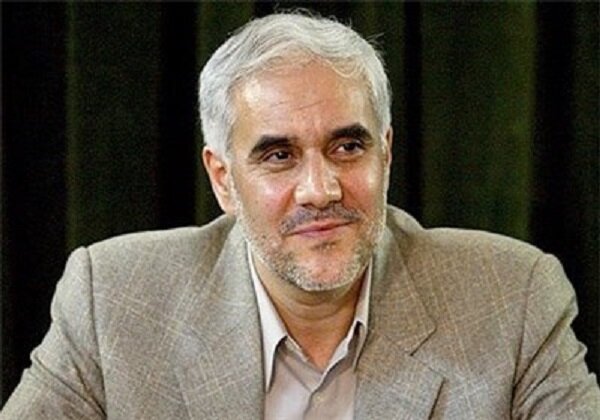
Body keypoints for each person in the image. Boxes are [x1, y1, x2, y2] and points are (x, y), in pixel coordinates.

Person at [2, 11, 599, 420]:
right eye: (278, 156)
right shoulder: (113, 301)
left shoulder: (512, 298)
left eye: (348, 146)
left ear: (386, 154)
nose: (319, 189)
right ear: (223, 179)